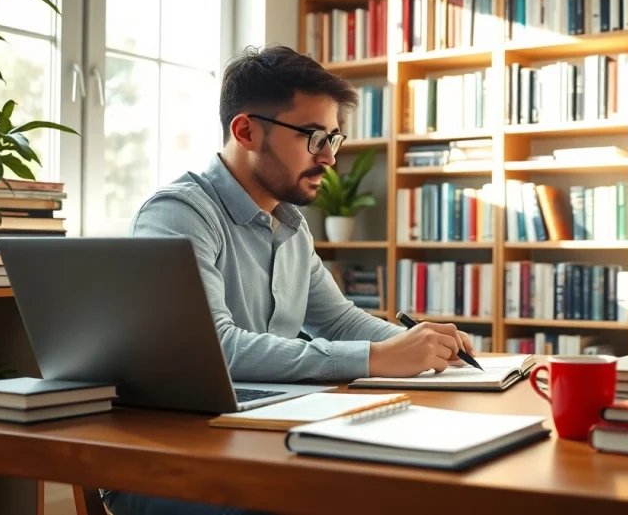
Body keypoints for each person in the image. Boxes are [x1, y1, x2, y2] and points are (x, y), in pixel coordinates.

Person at [102, 44, 475, 515]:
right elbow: (215, 347)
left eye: (333, 139)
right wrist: (376, 357)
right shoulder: (178, 214)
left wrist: (421, 343)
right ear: (246, 131)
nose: (330, 158)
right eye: (314, 138)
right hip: (168, 459)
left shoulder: (291, 226)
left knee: (409, 483)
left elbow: (338, 322)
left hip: (256, 436)